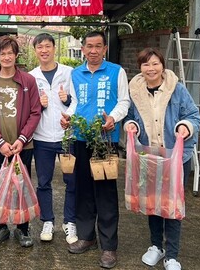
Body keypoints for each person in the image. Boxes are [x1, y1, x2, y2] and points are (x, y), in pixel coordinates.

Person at [124, 47, 200, 270]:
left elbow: (193, 115)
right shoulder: (135, 91)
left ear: (163, 65)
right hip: (150, 157)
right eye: (146, 64)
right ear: (140, 67)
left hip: (176, 157)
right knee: (152, 203)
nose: (151, 68)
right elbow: (130, 116)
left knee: (172, 205)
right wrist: (131, 125)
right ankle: (156, 246)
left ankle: (172, 255)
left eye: (155, 63)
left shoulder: (176, 89)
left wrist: (185, 127)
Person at [61, 30, 130, 269]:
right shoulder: (76, 73)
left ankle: (109, 247)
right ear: (83, 49)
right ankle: (86, 236)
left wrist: (113, 117)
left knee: (106, 193)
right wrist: (68, 117)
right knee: (83, 191)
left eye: (98, 46)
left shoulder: (116, 71)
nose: (93, 50)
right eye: (89, 46)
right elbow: (76, 103)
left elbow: (124, 101)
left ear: (104, 49)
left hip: (104, 141)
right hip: (81, 139)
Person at [0, 35, 42, 248]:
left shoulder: (28, 81)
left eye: (10, 53)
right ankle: (0, 226)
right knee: (1, 186)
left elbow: (35, 112)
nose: (6, 57)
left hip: (23, 146)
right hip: (0, 149)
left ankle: (23, 229)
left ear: (16, 55)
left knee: (22, 185)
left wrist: (22, 139)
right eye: (2, 53)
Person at [28, 33, 78, 244]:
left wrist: (68, 106)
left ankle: (70, 222)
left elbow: (78, 100)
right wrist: (39, 104)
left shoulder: (69, 73)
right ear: (35, 50)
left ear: (54, 48)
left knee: (72, 181)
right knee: (43, 182)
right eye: (40, 47)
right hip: (42, 138)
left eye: (48, 46)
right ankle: (47, 221)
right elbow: (29, 109)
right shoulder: (31, 77)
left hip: (68, 136)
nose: (44, 50)